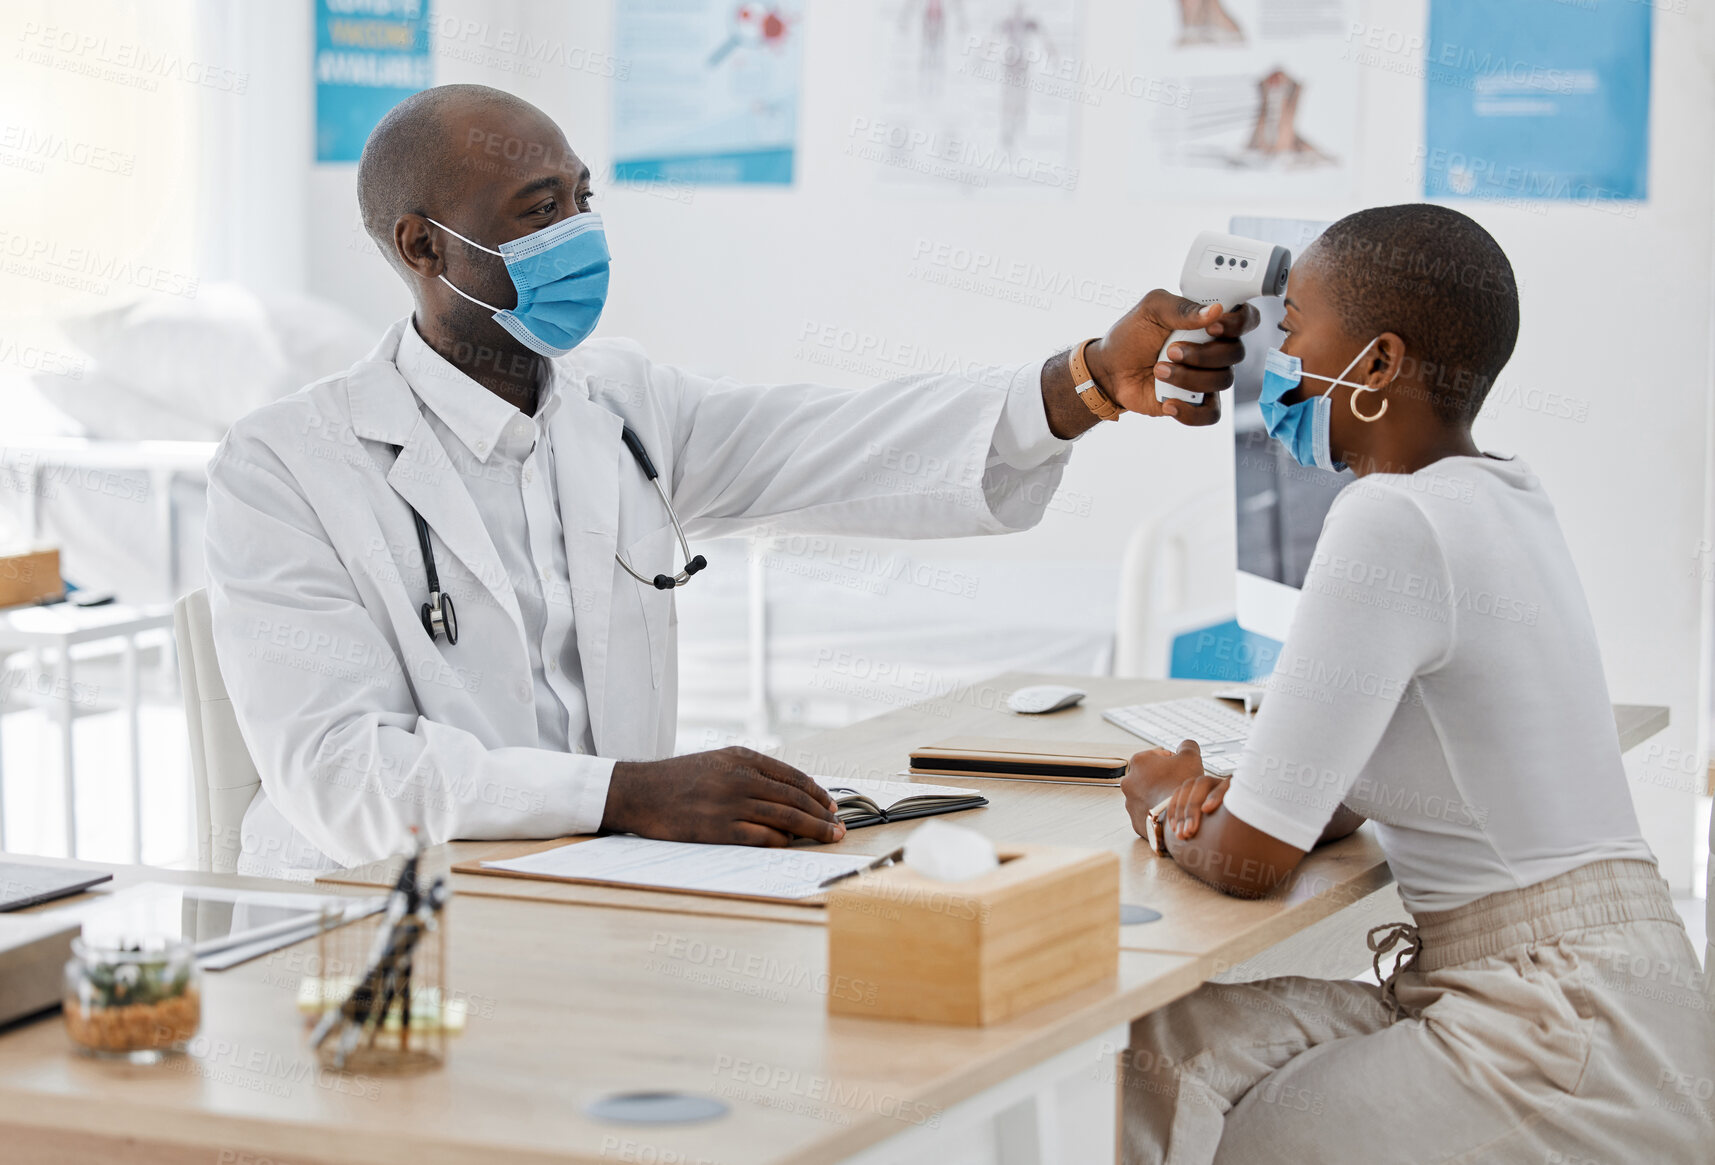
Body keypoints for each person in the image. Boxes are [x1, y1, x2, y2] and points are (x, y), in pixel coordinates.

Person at [204, 83, 1259, 876]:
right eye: (536, 210)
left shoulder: (618, 406)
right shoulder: (287, 467)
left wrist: (1084, 383)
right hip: (373, 916)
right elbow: (341, 774)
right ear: (421, 246)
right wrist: (625, 793)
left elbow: (837, 440)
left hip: (599, 873)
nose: (578, 233)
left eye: (582, 198)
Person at [1118, 204, 1714, 1163]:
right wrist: (1257, 794)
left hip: (1552, 1026)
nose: (1277, 358)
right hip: (1583, 987)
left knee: (1224, 1123)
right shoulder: (1502, 496)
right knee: (1167, 1044)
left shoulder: (1386, 519)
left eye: (1296, 330)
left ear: (1379, 364)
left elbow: (1247, 863)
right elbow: (1332, 803)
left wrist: (1158, 800)